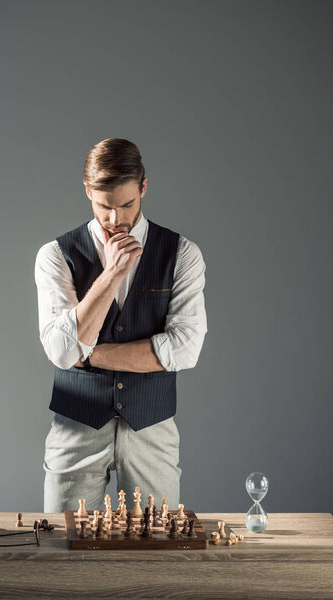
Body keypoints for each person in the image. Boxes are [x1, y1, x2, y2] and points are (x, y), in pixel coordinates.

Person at [34, 137, 208, 513]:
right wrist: (111, 275)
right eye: (103, 206)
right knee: (61, 555)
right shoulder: (55, 255)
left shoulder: (183, 254)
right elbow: (62, 352)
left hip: (151, 427)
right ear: (87, 192)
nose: (115, 219)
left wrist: (90, 355)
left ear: (143, 187)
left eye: (126, 204)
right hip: (76, 428)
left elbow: (184, 349)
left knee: (153, 553)